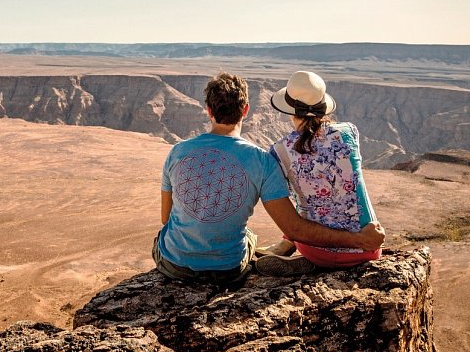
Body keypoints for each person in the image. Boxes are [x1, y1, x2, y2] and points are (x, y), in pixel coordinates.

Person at [152, 72, 385, 286]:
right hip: (229, 269)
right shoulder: (265, 159)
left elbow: (166, 218)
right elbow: (293, 225)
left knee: (171, 235)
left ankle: (293, 251)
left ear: (208, 110)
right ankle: (283, 249)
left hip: (175, 267)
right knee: (253, 234)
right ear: (245, 110)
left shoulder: (178, 152)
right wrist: (361, 239)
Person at [255, 71, 382, 277]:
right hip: (369, 246)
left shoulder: (280, 151)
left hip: (315, 248)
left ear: (290, 111)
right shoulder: (349, 132)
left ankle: (306, 257)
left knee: (305, 201)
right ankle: (296, 250)